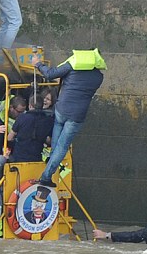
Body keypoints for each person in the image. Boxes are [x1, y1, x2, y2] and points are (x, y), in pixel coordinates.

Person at [29, 49, 106, 190]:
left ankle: (48, 172)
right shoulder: (98, 77)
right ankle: (46, 176)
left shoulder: (72, 66)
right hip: (77, 116)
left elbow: (50, 74)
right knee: (62, 147)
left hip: (61, 110)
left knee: (56, 143)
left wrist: (38, 64)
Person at [8, 94, 54, 162]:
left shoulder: (22, 118)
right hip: (37, 158)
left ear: (30, 105)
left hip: (19, 158)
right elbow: (50, 141)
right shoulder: (48, 121)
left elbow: (9, 138)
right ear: (42, 106)